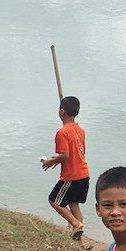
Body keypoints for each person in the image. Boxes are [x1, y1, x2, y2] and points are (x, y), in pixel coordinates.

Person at [40, 95, 89, 241]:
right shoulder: (80, 130)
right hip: (84, 174)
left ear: (62, 112)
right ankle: (78, 237)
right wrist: (55, 160)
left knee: (54, 200)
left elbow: (65, 155)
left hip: (72, 176)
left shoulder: (62, 132)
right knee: (74, 204)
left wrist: (50, 162)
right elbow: (79, 152)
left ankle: (76, 224)